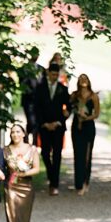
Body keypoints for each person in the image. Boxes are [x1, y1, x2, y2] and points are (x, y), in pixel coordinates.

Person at [3, 124, 41, 222]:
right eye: (12, 132)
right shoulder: (6, 150)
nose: (15, 134)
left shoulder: (32, 149)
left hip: (26, 188)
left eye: (18, 132)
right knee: (12, 220)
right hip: (11, 187)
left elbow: (37, 169)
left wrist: (23, 172)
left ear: (23, 133)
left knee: (23, 221)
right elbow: (1, 167)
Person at [33, 62, 71, 195]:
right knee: (44, 153)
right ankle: (51, 174)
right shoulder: (40, 88)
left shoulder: (63, 89)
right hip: (44, 126)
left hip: (58, 126)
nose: (54, 76)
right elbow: (36, 108)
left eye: (56, 74)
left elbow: (69, 107)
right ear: (48, 73)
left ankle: (54, 184)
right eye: (52, 74)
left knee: (57, 154)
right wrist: (43, 123)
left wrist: (60, 121)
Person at [70, 73, 100, 196]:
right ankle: (78, 183)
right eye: (81, 79)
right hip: (77, 126)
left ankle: (85, 182)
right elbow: (68, 107)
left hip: (88, 126)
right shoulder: (74, 95)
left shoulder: (93, 96)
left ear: (88, 81)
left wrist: (86, 117)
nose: (83, 81)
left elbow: (97, 114)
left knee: (87, 155)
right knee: (78, 155)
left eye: (85, 79)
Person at [20, 47, 45, 146]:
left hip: (38, 100)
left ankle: (34, 142)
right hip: (28, 99)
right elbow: (22, 84)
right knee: (31, 120)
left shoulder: (41, 69)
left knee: (37, 121)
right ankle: (27, 139)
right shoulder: (24, 68)